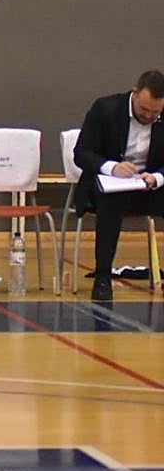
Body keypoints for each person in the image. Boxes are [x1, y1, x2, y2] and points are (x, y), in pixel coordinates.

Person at [73, 70, 164, 302]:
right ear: (134, 94)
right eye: (144, 110)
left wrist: (156, 178)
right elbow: (81, 153)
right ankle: (103, 276)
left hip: (149, 184)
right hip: (108, 185)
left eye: (156, 112)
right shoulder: (105, 109)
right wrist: (112, 167)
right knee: (113, 201)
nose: (149, 116)